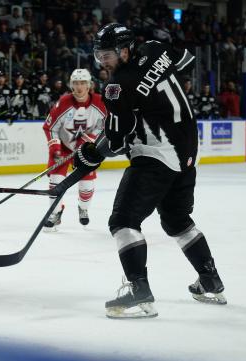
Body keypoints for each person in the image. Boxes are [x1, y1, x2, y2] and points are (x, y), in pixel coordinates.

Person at [51, 23, 226, 318]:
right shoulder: (156, 49)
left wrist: (91, 153)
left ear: (124, 50)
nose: (102, 62)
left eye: (107, 55)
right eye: (99, 55)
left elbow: (117, 141)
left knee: (123, 220)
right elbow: (186, 61)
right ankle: (211, 281)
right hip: (187, 153)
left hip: (157, 155)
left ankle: (139, 293)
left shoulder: (118, 87)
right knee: (177, 220)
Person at [43, 68, 106, 230]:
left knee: (87, 186)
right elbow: (50, 128)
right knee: (55, 181)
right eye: (76, 83)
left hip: (86, 151)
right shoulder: (63, 102)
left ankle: (83, 208)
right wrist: (55, 149)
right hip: (63, 148)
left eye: (83, 83)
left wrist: (91, 141)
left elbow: (107, 127)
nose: (79, 87)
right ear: (71, 85)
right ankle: (55, 212)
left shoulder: (100, 102)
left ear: (89, 85)